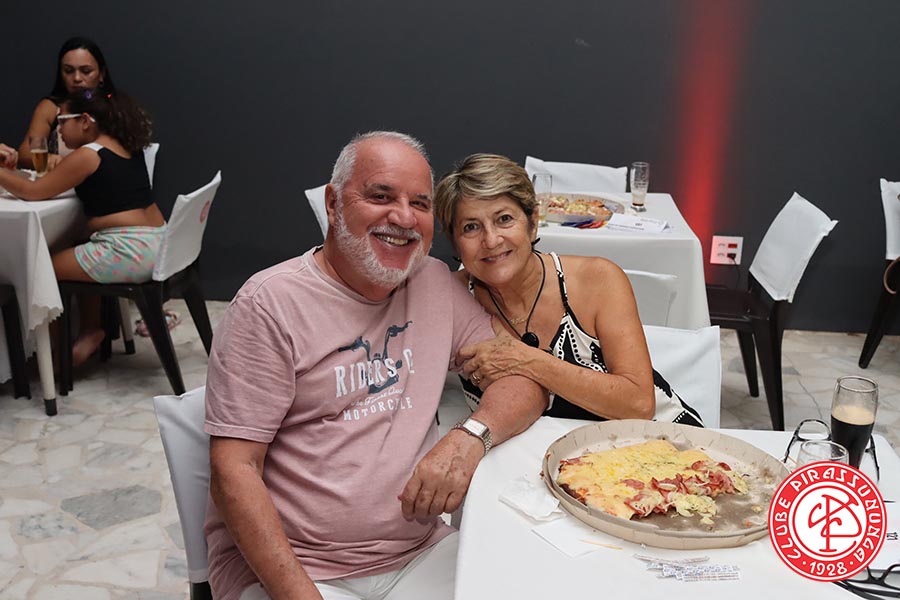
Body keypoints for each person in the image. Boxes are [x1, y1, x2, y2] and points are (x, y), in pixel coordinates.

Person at [204, 132, 547, 600]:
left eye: (419, 203)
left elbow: (522, 379)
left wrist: (469, 437)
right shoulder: (269, 305)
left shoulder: (432, 282)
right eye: (381, 197)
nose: (403, 218)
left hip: (419, 551)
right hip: (300, 569)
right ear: (333, 204)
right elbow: (233, 470)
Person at [433, 153, 703, 426]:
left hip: (661, 438)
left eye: (504, 219)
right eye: (471, 227)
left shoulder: (597, 280)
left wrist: (526, 360)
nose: (491, 240)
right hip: (547, 450)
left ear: (532, 223)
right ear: (455, 242)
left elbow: (640, 404)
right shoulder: (449, 298)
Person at [0, 89, 164, 365]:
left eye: (62, 122)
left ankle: (57, 354)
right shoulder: (125, 144)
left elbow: (33, 192)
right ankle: (90, 330)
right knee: (80, 249)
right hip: (157, 244)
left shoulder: (89, 154)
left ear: (85, 121)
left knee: (43, 269)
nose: (58, 131)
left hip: (129, 251)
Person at [17, 37, 115, 172]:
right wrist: (49, 159)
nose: (77, 78)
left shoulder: (115, 106)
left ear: (101, 74)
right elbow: (25, 153)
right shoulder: (51, 107)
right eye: (68, 71)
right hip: (61, 181)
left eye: (86, 71)